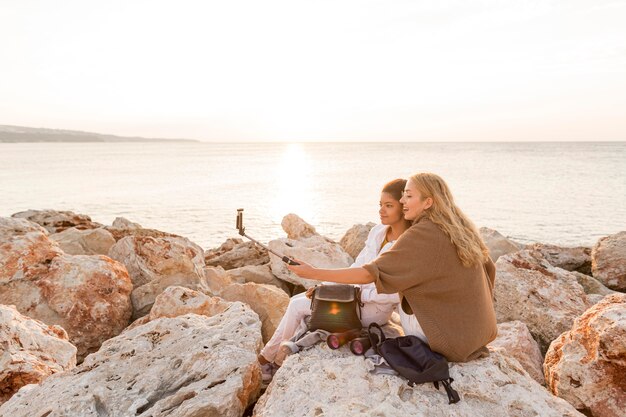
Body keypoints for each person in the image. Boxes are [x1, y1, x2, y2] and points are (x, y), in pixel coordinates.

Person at [288, 173, 497, 363]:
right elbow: (490, 270)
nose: (402, 201)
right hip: (478, 335)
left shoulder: (422, 233)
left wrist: (312, 272)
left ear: (428, 202)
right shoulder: (460, 229)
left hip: (445, 341)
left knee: (405, 286)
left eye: (408, 196)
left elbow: (368, 274)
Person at [259, 179, 411, 382]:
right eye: (380, 205)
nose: (381, 211)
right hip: (351, 297)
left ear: (404, 207)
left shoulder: (406, 245)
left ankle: (266, 360)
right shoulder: (378, 232)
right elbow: (356, 268)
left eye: (389, 206)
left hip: (374, 309)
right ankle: (271, 359)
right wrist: (325, 288)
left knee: (297, 306)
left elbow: (395, 293)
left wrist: (360, 294)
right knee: (299, 299)